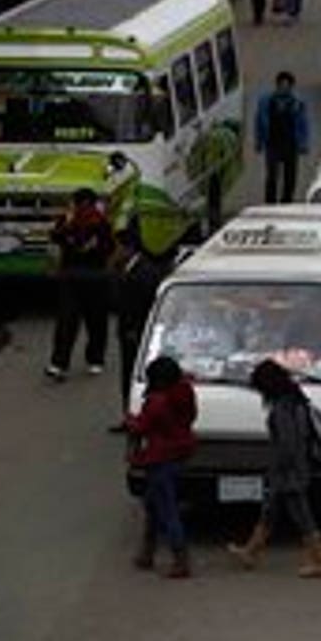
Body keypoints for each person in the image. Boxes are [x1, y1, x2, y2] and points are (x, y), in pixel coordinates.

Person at [227, 359, 321, 578]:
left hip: (288, 471)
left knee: (301, 515)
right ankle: (250, 552)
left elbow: (287, 444)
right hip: (295, 467)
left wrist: (277, 469)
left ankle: (319, 560)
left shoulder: (283, 408)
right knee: (270, 511)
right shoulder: (296, 400)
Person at [125, 355, 197, 579]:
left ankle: (178, 558)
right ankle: (148, 552)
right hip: (180, 452)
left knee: (165, 508)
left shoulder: (157, 401)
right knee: (154, 504)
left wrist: (130, 421)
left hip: (160, 457)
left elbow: (142, 427)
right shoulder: (185, 393)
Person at [45, 188, 116, 381]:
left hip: (91, 277)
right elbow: (54, 237)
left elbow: (109, 247)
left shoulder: (101, 223)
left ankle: (92, 359)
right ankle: (62, 363)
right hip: (75, 277)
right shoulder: (69, 220)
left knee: (93, 322)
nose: (81, 208)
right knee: (69, 321)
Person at [113, 220, 173, 414]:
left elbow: (142, 304)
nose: (115, 252)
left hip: (135, 332)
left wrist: (133, 329)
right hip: (130, 330)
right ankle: (129, 413)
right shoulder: (129, 268)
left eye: (118, 248)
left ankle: (135, 413)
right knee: (128, 373)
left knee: (132, 373)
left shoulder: (142, 272)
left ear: (128, 248)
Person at [253, 72, 310, 205]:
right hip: (272, 144)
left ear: (291, 87)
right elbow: (258, 123)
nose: (284, 88)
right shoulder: (265, 101)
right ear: (277, 85)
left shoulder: (297, 103)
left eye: (287, 86)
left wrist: (303, 143)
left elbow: (303, 124)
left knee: (290, 176)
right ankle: (270, 202)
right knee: (272, 175)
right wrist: (259, 141)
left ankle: (287, 201)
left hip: (291, 144)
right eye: (281, 85)